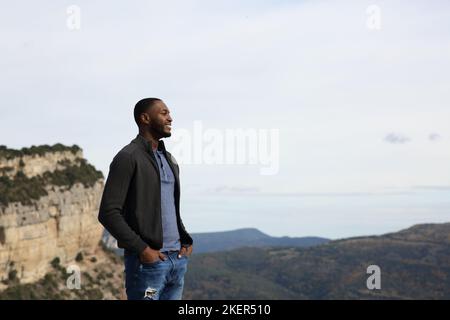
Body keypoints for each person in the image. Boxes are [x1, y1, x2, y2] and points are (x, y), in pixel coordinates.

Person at [98, 97, 193, 300]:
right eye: (164, 113)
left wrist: (185, 240)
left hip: (177, 261)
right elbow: (108, 213)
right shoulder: (128, 157)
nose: (170, 118)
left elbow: (169, 207)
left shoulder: (170, 160)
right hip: (149, 265)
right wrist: (143, 250)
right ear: (145, 118)